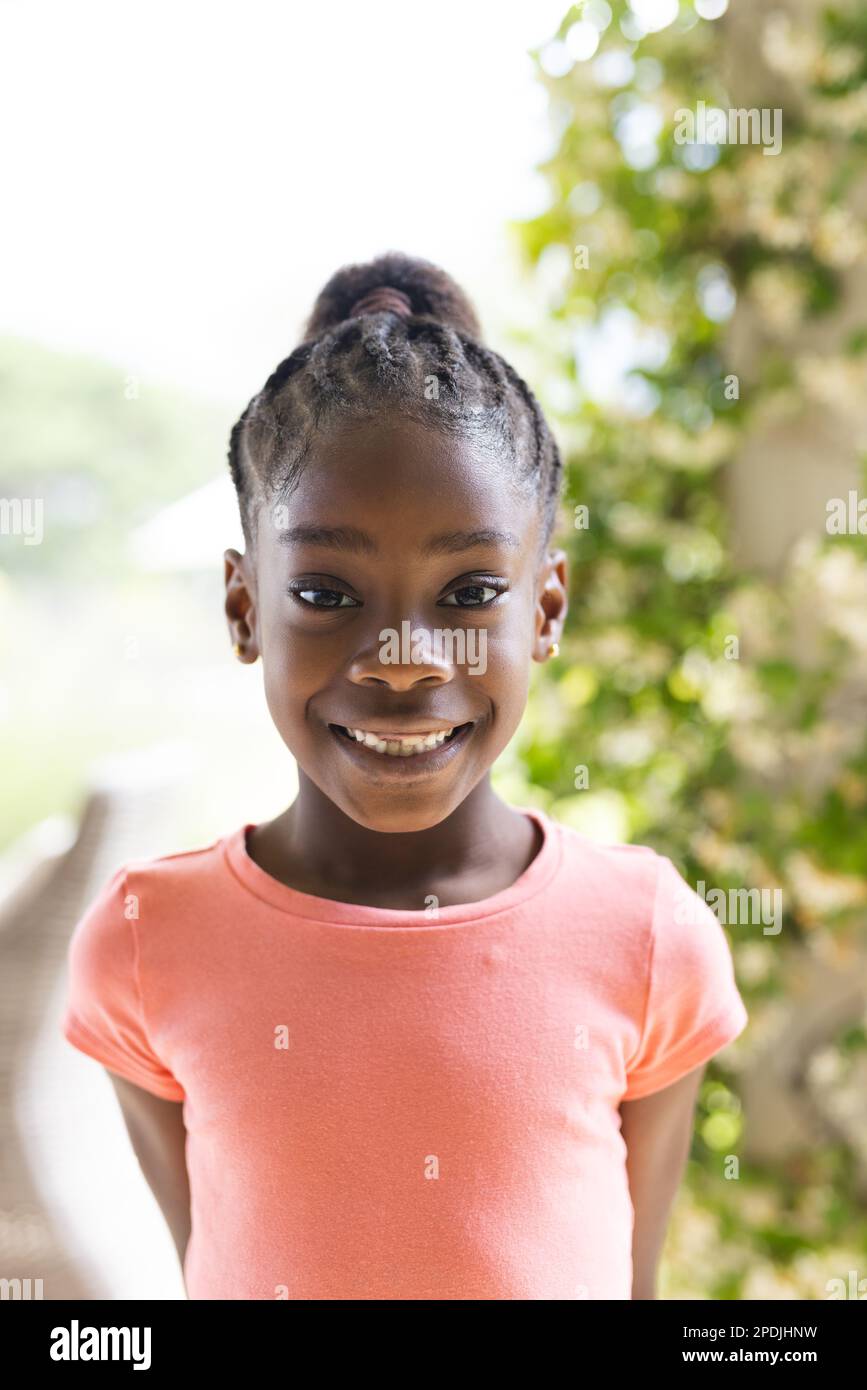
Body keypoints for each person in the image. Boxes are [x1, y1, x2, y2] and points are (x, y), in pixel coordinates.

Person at [61, 252, 748, 1300]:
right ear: (246, 607)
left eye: (471, 589)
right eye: (328, 593)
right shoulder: (144, 943)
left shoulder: (650, 939)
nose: (404, 656)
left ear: (547, 609)